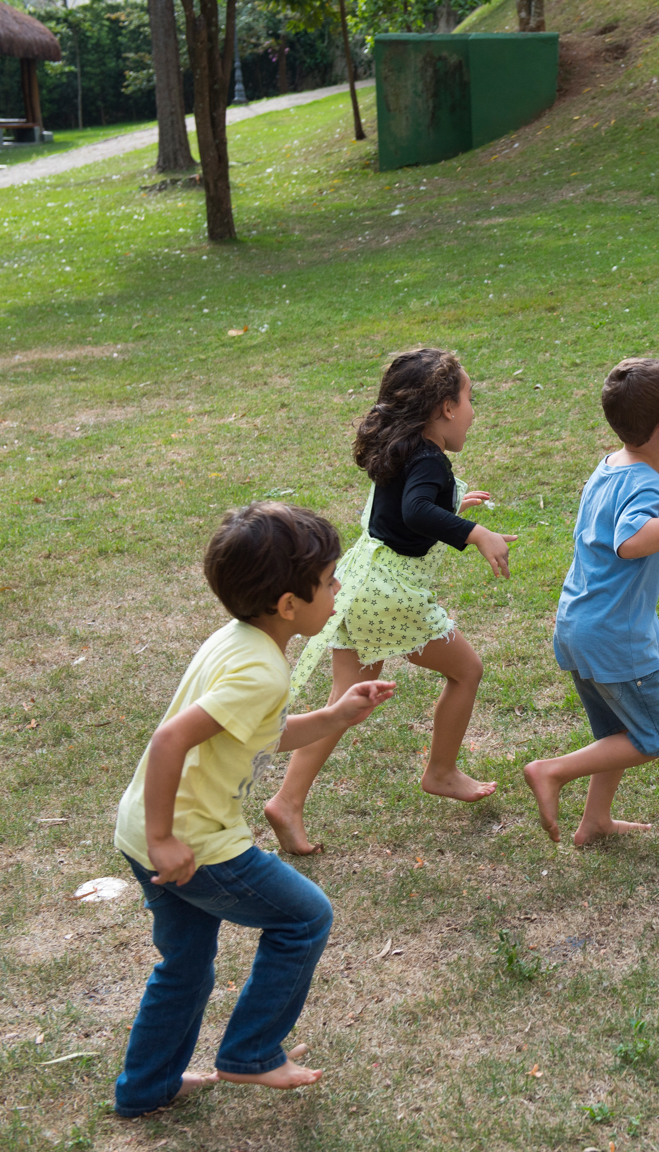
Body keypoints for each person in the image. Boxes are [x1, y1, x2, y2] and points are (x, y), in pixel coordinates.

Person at [113, 502, 396, 1118]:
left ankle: (145, 1089)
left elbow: (252, 731)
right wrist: (167, 838)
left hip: (143, 828)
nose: (339, 587)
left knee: (184, 964)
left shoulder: (240, 639)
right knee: (304, 918)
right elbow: (170, 741)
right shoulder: (261, 671)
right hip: (192, 841)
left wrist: (333, 715)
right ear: (290, 605)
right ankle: (252, 1052)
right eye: (328, 580)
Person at [266, 347, 517, 855]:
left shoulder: (402, 445)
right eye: (469, 399)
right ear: (446, 407)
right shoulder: (429, 457)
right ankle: (441, 770)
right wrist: (475, 532)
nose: (472, 410)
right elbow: (418, 508)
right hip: (391, 594)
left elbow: (405, 507)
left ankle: (287, 801)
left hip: (361, 582)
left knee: (343, 704)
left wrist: (454, 503)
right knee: (466, 670)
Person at [523, 357, 659, 846]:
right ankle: (552, 772)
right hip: (614, 641)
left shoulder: (609, 466)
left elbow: (605, 544)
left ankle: (595, 820)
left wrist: (649, 574)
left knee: (616, 734)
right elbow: (630, 540)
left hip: (579, 624)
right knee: (658, 737)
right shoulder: (649, 483)